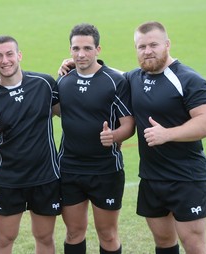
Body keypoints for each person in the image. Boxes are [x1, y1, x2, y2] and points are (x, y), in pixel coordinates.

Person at [58, 21, 206, 254]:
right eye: (141, 46)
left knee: (193, 244)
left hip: (186, 177)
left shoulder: (188, 79)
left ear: (167, 44)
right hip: (152, 177)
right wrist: (76, 62)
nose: (147, 51)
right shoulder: (135, 77)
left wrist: (167, 134)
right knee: (163, 242)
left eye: (153, 45)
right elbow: (104, 76)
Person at [53, 23, 135, 254]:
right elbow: (54, 110)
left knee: (108, 235)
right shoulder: (62, 80)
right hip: (69, 169)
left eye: (87, 48)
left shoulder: (114, 80)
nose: (81, 54)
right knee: (73, 233)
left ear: (98, 49)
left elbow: (128, 125)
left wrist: (114, 136)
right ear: (69, 50)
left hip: (106, 170)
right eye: (76, 48)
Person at [0, 35, 61, 254]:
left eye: (9, 54)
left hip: (45, 176)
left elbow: (66, 112)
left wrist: (67, 73)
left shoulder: (44, 84)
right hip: (9, 179)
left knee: (44, 237)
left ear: (19, 55)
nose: (5, 60)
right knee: (5, 239)